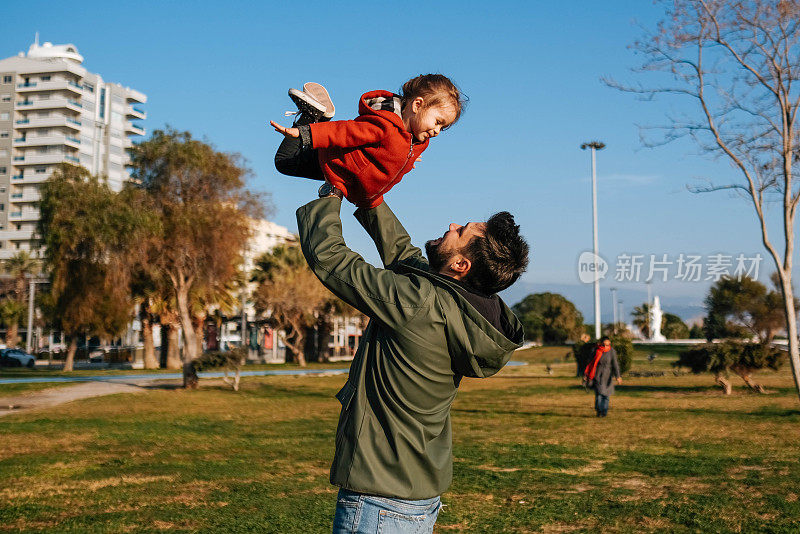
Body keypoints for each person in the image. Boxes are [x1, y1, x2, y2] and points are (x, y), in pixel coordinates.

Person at [296, 186, 529, 533]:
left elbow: (331, 259)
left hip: (378, 501)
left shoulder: (421, 303)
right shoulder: (465, 309)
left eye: (460, 231)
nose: (451, 225)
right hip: (416, 499)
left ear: (460, 264)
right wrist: (370, 197)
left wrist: (331, 194)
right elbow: (406, 257)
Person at [271, 74, 466, 208]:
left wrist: (409, 160)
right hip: (333, 163)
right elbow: (346, 131)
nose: (438, 131)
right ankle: (312, 114)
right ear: (417, 105)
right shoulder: (384, 125)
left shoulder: (416, 142)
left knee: (288, 162)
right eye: (438, 122)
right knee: (284, 161)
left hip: (346, 177)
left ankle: (318, 117)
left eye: (443, 127)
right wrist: (305, 133)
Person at [583, 336, 622, 417]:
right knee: (599, 394)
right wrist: (586, 374)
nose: (606, 346)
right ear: (601, 343)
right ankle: (599, 410)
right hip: (597, 375)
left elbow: (615, 364)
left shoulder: (612, 351)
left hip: (608, 376)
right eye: (604, 344)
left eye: (608, 345)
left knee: (606, 395)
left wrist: (618, 376)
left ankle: (604, 412)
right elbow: (589, 363)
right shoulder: (595, 350)